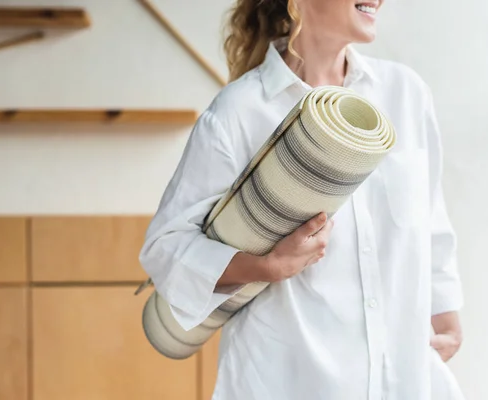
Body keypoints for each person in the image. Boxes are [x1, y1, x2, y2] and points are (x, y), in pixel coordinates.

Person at [139, 0, 465, 399]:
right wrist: (265, 265)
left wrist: (446, 315)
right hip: (288, 380)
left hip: (401, 382)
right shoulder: (241, 111)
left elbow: (430, 221)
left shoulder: (406, 94)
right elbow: (165, 249)